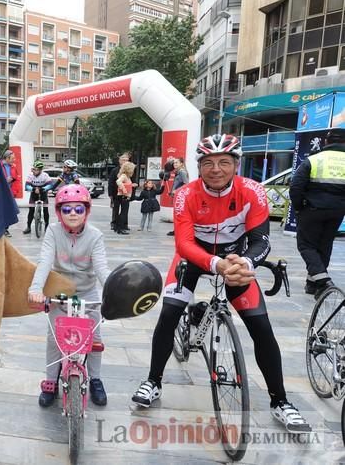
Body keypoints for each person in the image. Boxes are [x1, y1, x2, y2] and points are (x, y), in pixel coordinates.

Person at [131, 134, 311, 433]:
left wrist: (247, 264)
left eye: (224, 162)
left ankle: (280, 401)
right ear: (199, 167)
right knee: (169, 313)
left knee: (261, 328)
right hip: (193, 258)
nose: (216, 169)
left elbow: (261, 240)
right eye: (209, 163)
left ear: (236, 165)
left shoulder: (253, 191)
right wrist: (216, 264)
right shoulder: (186, 195)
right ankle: (153, 380)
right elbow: (184, 243)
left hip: (237, 261)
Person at [29, 184, 110, 407]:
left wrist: (114, 291)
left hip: (87, 291)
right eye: (66, 209)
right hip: (60, 291)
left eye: (78, 209)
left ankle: (95, 379)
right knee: (54, 339)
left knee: (95, 340)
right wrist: (36, 289)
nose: (72, 213)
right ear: (58, 212)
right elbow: (45, 261)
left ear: (86, 211)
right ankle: (50, 380)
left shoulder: (95, 235)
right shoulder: (53, 232)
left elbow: (102, 269)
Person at [290, 128, 345, 298]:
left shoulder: (313, 160)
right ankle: (312, 285)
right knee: (324, 245)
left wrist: (299, 207)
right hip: (337, 211)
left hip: (312, 209)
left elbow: (296, 187)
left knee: (306, 245)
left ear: (326, 142)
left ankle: (323, 281)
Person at [23, 160, 53, 234]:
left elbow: (50, 185)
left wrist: (44, 188)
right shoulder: (30, 175)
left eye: (36, 169)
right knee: (31, 210)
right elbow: (27, 186)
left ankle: (46, 226)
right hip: (34, 193)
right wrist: (33, 189)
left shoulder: (45, 175)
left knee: (46, 210)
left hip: (43, 193)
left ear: (40, 170)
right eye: (33, 169)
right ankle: (28, 227)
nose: (34, 171)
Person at [166, 157, 188, 236]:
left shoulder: (182, 172)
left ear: (181, 163)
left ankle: (179, 231)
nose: (175, 164)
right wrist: (171, 192)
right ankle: (176, 230)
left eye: (177, 163)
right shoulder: (177, 172)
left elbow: (186, 184)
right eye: (174, 163)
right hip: (176, 195)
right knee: (176, 213)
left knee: (179, 214)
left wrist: (177, 190)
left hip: (180, 196)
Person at [108, 153, 130, 231]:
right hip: (116, 193)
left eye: (127, 160)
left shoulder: (130, 170)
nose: (125, 161)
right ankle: (114, 224)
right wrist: (110, 194)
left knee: (125, 210)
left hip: (126, 193)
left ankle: (124, 224)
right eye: (123, 160)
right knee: (115, 209)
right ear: (119, 161)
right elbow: (110, 182)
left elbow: (132, 181)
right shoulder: (115, 170)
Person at [1, 150, 20, 237]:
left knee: (10, 210)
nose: (14, 160)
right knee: (1, 211)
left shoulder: (13, 167)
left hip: (10, 192)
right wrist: (5, 180)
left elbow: (16, 179)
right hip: (0, 192)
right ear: (7, 158)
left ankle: (5, 229)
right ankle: (2, 229)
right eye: (12, 158)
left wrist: (15, 191)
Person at [114, 161, 136, 234]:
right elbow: (118, 182)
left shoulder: (126, 176)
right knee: (123, 213)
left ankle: (118, 227)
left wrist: (131, 185)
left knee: (122, 213)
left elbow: (125, 183)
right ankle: (120, 229)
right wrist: (124, 189)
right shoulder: (124, 176)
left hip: (123, 196)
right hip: (124, 196)